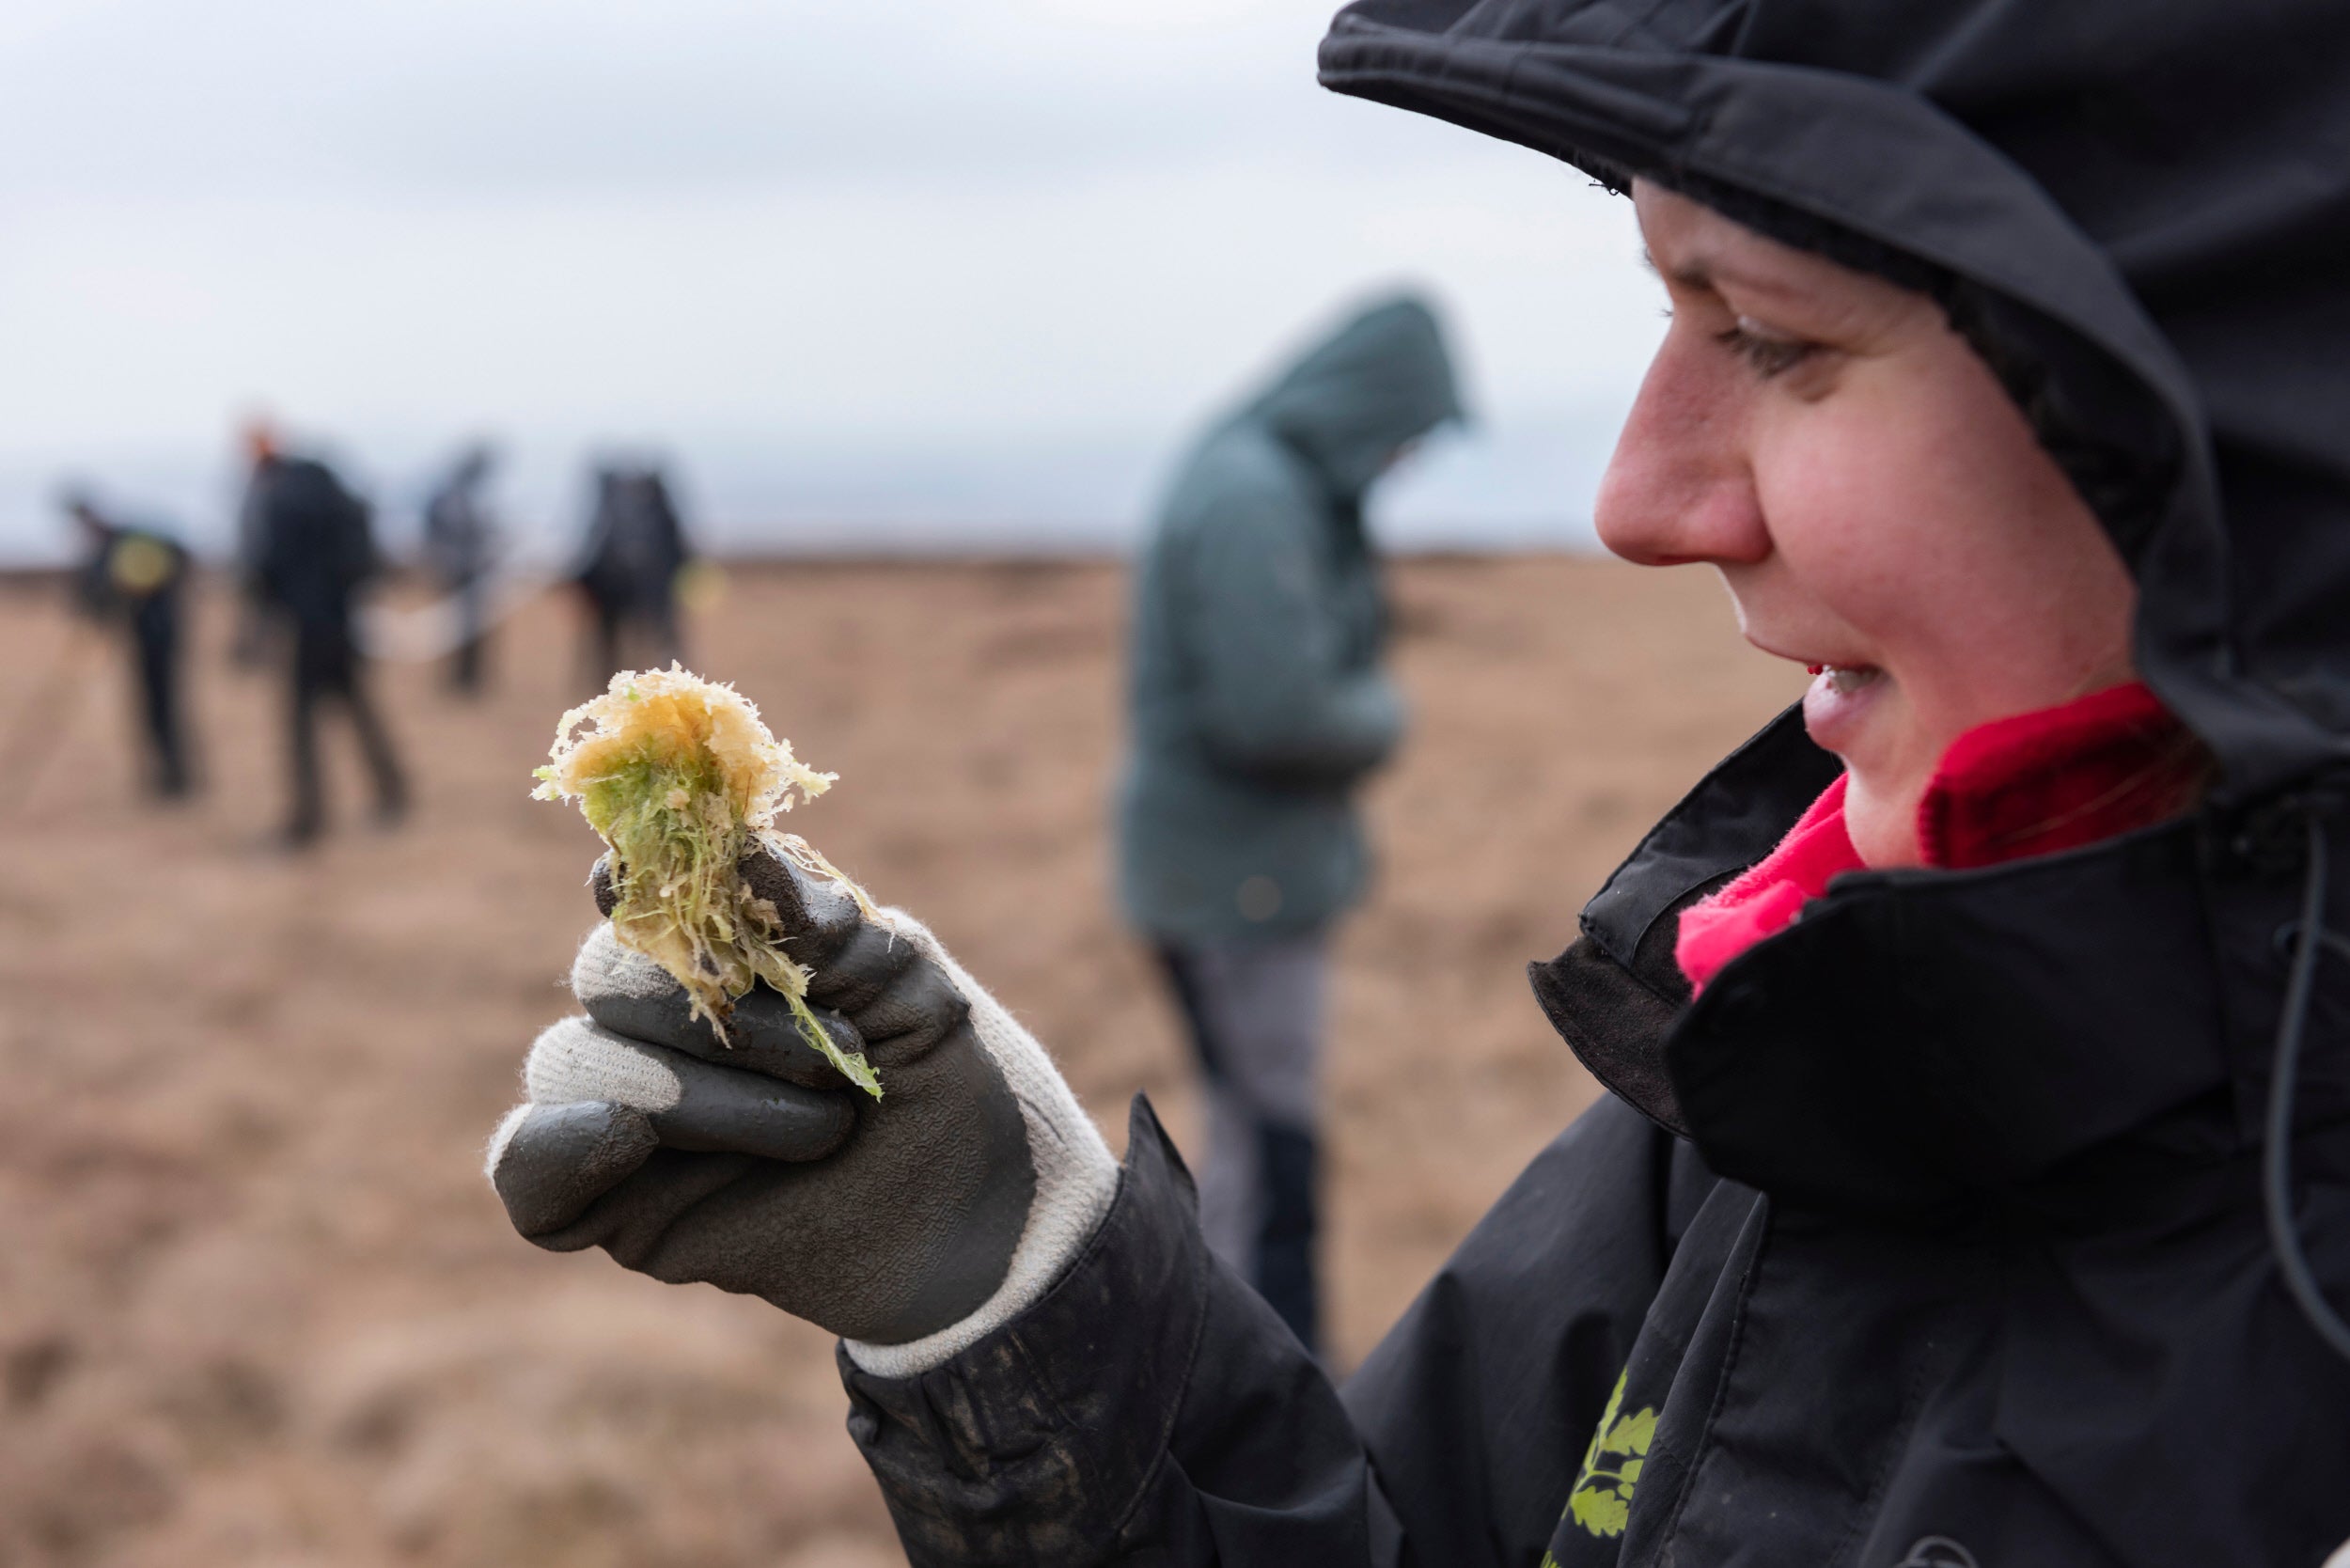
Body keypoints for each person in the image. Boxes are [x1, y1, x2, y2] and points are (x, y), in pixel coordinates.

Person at [484, 2, 2350, 1562]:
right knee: (1272, 1129)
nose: (1633, 498)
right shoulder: (1806, 1075)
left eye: (1769, 334)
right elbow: (1279, 704)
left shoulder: (1821, 1041)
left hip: (1263, 869)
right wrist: (1008, 1288)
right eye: (1674, 315)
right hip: (1246, 874)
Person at [1120, 296, 1460, 1356]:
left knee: (1249, 1145)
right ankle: (1265, 1406)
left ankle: (1231, 1390)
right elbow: (1280, 713)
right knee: (1268, 1159)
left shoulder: (1255, 476)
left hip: (1232, 873)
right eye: (1405, 433)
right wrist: (1385, 711)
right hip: (1237, 884)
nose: (1401, 461)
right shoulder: (1253, 498)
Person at [239, 425, 406, 846]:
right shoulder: (332, 489)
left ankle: (306, 819)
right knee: (359, 710)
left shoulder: (278, 494)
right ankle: (393, 792)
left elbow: (266, 563)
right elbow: (364, 556)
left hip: (306, 627)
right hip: (342, 620)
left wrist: (258, 620)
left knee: (300, 723)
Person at [61, 491, 194, 799]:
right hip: (144, 636)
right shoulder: (106, 549)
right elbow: (99, 593)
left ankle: (176, 777)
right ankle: (164, 774)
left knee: (164, 706)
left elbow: (172, 563)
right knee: (150, 705)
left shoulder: (131, 540)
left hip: (160, 634)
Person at [572, 463, 691, 683]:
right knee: (611, 635)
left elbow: (678, 547)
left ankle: (670, 677)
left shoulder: (649, 512)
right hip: (612, 583)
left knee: (661, 631)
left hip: (651, 583)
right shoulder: (613, 514)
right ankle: (609, 680)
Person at [420, 443, 499, 695]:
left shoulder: (473, 497)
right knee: (455, 628)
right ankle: (457, 678)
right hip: (456, 571)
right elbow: (445, 532)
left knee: (476, 627)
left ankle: (471, 678)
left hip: (475, 571)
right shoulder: (450, 497)